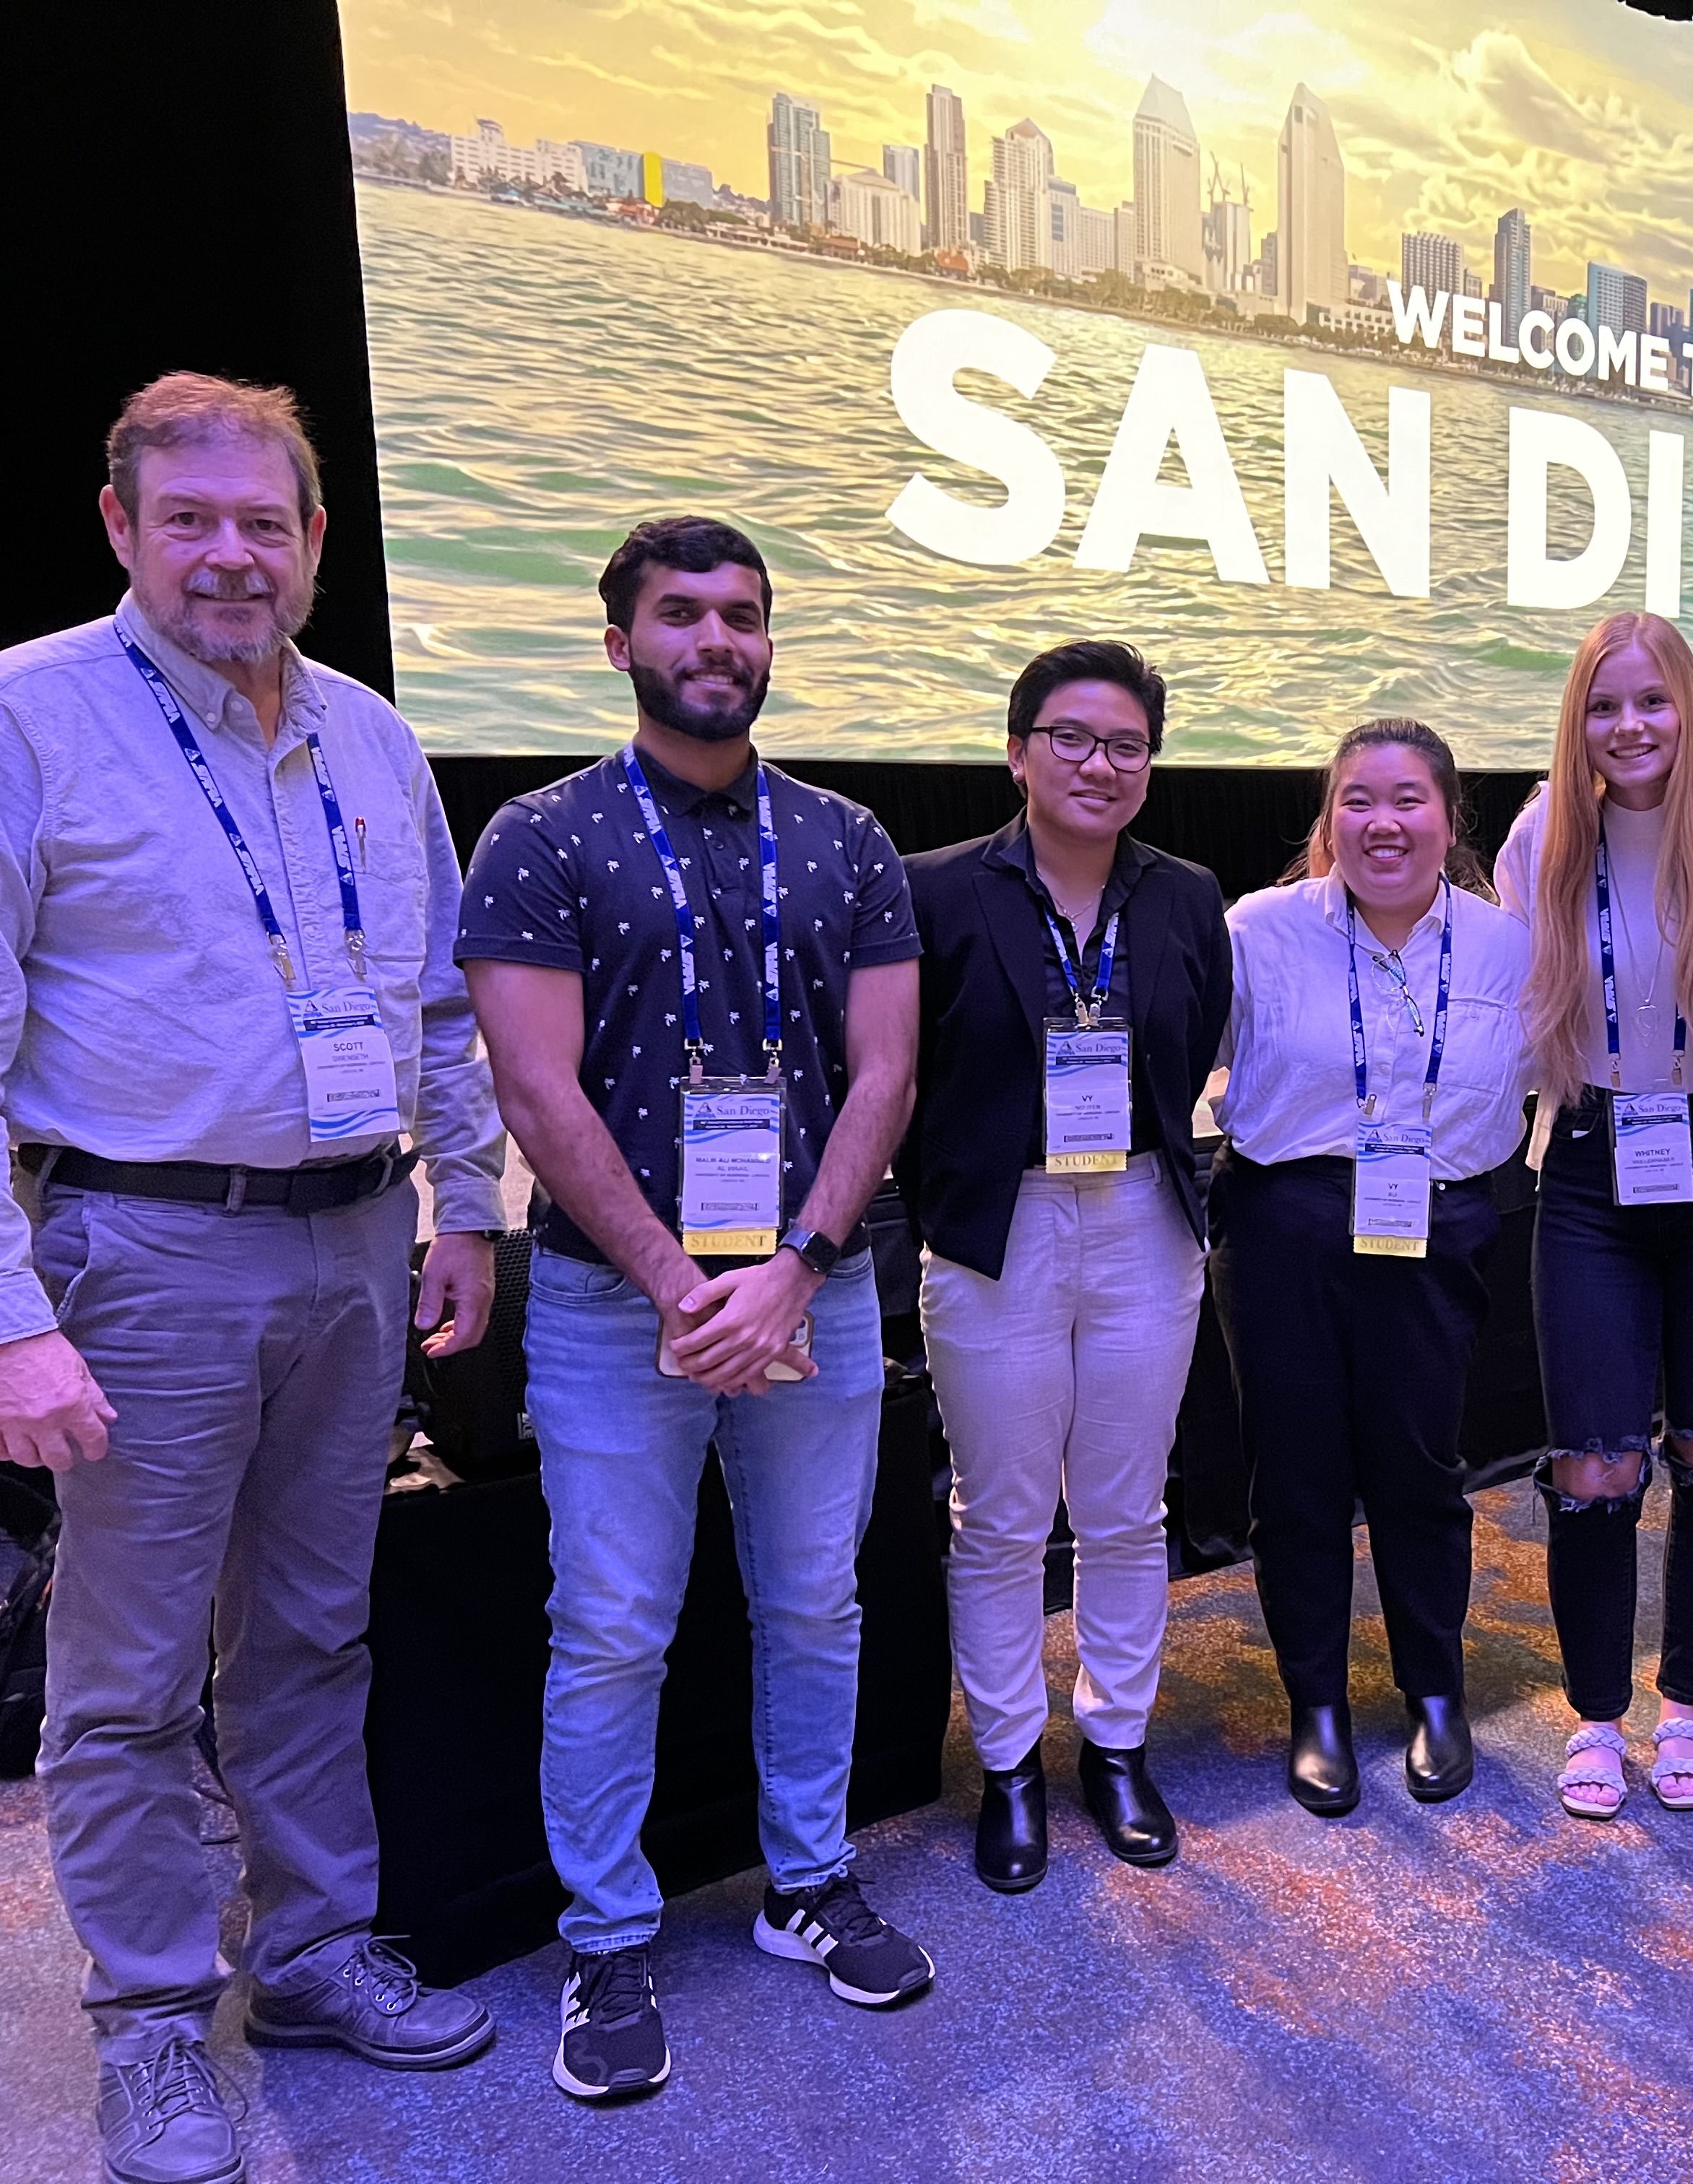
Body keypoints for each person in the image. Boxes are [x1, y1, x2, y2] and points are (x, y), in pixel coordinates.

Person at [0, 374, 503, 2184]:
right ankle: (147, 2025)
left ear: (315, 540)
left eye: (265, 522)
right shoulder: (29, 716)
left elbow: (438, 1000)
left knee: (310, 1632)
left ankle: (304, 1959)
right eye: (190, 518)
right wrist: (14, 1320)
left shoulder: (373, 735)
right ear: (123, 526)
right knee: (127, 1673)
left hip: (360, 1240)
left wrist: (470, 1207)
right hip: (140, 1252)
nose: (233, 553)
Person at [459, 518, 932, 2104]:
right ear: (619, 643)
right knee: (611, 1632)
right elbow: (535, 1087)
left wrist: (794, 1264)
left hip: (820, 1288)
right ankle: (606, 1938)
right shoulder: (539, 836)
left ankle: (808, 1883)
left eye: (743, 615)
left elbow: (886, 1075)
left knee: (815, 1603)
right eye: (682, 615)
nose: (716, 639)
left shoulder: (852, 843)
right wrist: (681, 1287)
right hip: (615, 1309)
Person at [900, 641, 1226, 1891]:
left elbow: (1194, 1042)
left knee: (1127, 1506)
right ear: (1017, 747)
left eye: (1127, 744)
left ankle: (1117, 1741)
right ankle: (1007, 1762)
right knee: (997, 1519)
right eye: (1074, 737)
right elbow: (904, 1065)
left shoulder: (1184, 894)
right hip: (999, 1230)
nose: (1101, 763)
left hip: (1142, 1215)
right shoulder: (934, 889)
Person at [1211, 719, 1533, 1816]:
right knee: (1296, 1472)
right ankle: (1317, 1705)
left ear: (1449, 819)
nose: (1381, 823)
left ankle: (1434, 1690)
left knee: (1419, 1467)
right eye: (1357, 799)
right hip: (1285, 1219)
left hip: (1434, 1219)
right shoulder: (1259, 931)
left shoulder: (1507, 945)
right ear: (1328, 816)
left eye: (1407, 801)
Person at [1493, 613, 1693, 1820]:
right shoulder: (1539, 834)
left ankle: (1688, 1707)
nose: (1630, 727)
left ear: (1689, 709)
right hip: (1591, 1164)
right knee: (1596, 1461)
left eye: (1652, 702)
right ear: (1579, 721)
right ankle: (1598, 1718)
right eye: (1605, 706)